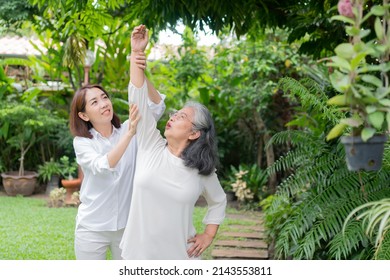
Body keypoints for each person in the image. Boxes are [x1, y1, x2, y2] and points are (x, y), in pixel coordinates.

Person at [120, 24, 227, 260]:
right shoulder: (150, 144)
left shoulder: (202, 171)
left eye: (182, 117)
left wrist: (208, 235)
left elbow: (218, 202)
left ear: (194, 133)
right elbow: (137, 96)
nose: (172, 117)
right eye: (174, 113)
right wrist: (136, 53)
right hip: (137, 257)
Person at [69, 55, 166, 260]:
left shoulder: (128, 129)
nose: (104, 103)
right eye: (94, 102)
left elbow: (157, 107)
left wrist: (141, 73)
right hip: (92, 228)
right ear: (84, 115)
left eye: (104, 97)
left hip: (127, 228)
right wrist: (130, 134)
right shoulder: (83, 142)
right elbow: (104, 165)